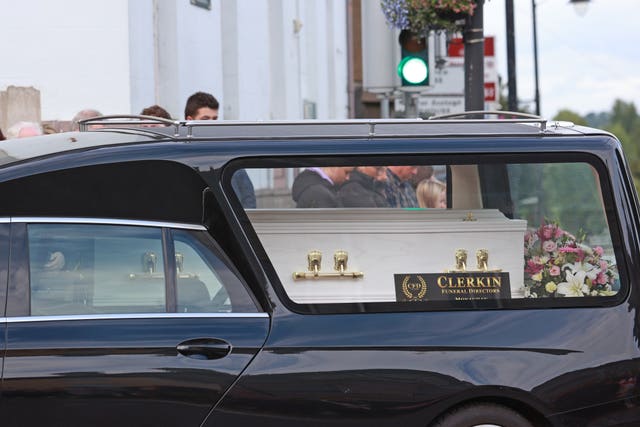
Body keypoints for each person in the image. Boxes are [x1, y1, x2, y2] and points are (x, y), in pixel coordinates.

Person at [183, 91, 255, 208]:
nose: (211, 124)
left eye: (214, 119)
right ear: (189, 120)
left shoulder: (227, 153)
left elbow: (247, 196)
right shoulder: (179, 155)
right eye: (205, 119)